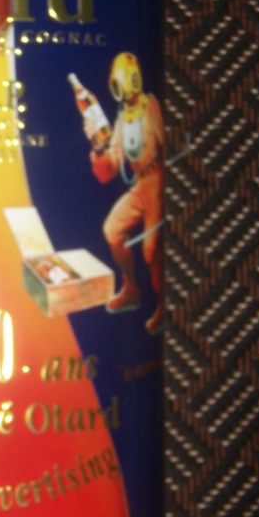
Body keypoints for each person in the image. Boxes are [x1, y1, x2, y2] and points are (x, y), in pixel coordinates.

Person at [88, 53, 164, 334]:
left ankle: (163, 304)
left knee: (150, 251)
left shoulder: (152, 107)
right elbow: (110, 166)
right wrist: (99, 149)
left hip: (157, 183)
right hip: (139, 185)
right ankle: (131, 287)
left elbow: (167, 144)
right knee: (112, 230)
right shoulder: (122, 117)